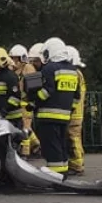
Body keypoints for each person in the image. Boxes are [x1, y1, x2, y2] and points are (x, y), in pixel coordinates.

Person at [31, 38, 79, 175]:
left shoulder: (49, 68)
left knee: (51, 146)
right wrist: (68, 109)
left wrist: (34, 100)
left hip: (48, 115)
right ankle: (63, 169)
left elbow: (47, 91)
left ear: (52, 51)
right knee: (61, 144)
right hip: (65, 116)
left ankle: (54, 173)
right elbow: (76, 97)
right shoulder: (73, 70)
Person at [10, 44, 41, 158]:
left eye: (15, 58)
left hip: (27, 103)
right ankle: (36, 144)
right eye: (12, 58)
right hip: (19, 103)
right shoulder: (16, 69)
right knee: (26, 126)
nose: (13, 60)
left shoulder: (28, 68)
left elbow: (33, 88)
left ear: (21, 58)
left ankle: (25, 153)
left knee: (25, 128)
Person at [65, 45, 87, 175]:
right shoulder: (78, 73)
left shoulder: (75, 74)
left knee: (73, 138)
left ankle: (77, 165)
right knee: (75, 137)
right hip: (76, 112)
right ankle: (77, 162)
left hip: (74, 112)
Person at [0, 47, 23, 122]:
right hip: (0, 117)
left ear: (1, 62)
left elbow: (16, 97)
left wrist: (5, 109)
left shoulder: (11, 76)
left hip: (14, 118)